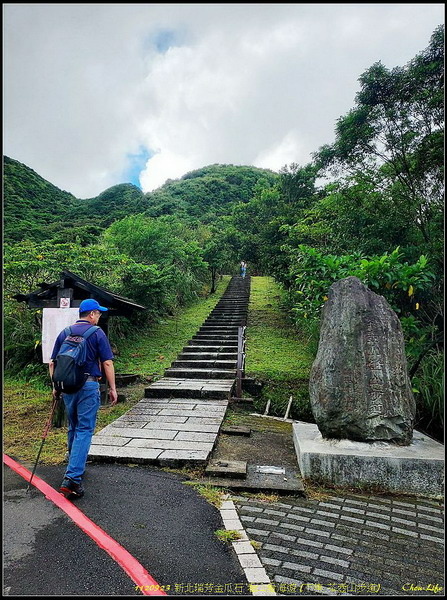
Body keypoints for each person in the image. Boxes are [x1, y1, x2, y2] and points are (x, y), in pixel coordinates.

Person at [49, 298, 118, 499]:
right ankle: (72, 478)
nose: (99, 316)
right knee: (85, 429)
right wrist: (112, 388)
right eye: (98, 313)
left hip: (68, 386)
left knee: (74, 426)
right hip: (88, 386)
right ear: (91, 314)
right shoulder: (97, 333)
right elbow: (106, 363)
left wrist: (56, 387)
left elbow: (53, 363)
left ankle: (74, 464)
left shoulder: (65, 332)